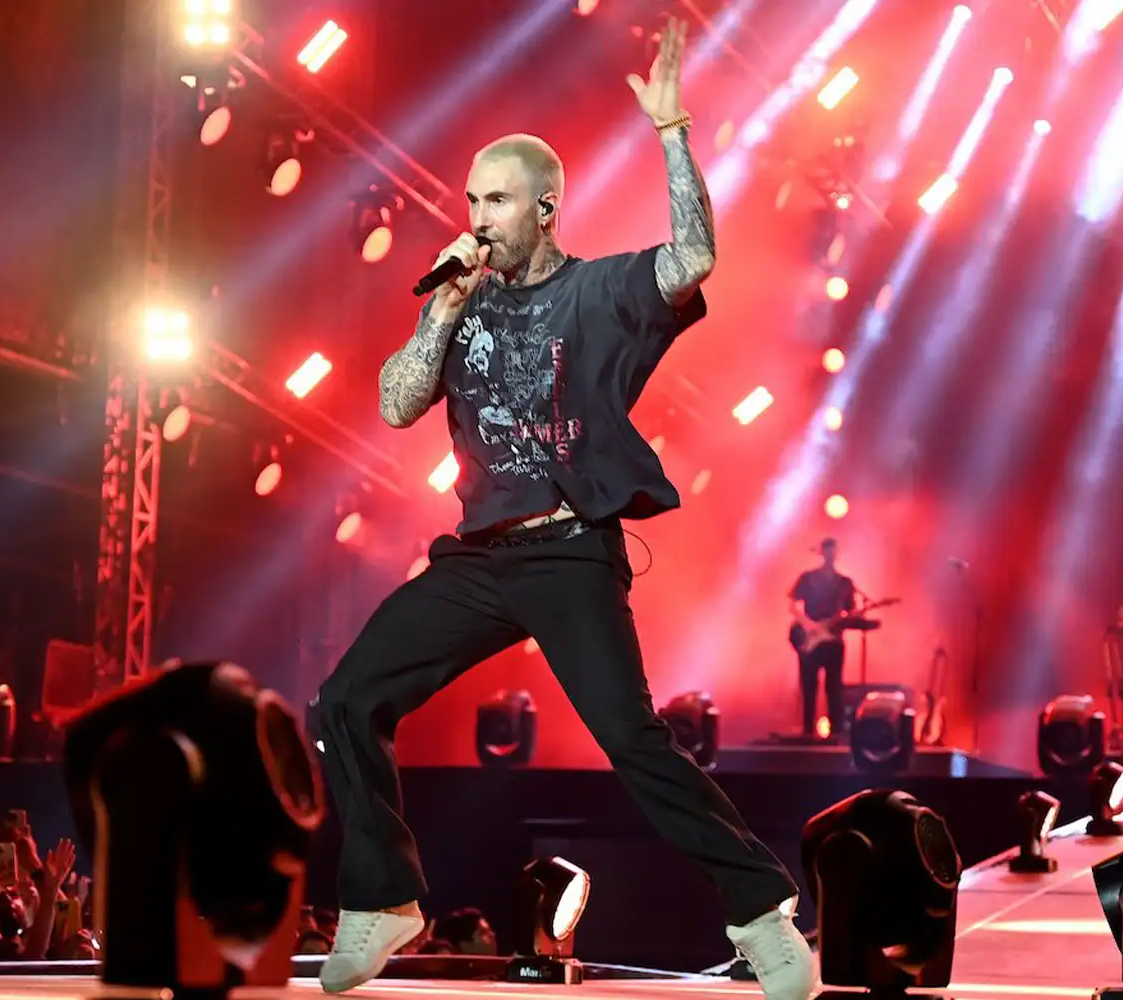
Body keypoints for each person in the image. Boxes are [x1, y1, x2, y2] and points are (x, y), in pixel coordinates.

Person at [309, 17, 814, 1000]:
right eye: (470, 199)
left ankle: (762, 914)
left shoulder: (597, 290)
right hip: (476, 558)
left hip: (568, 550)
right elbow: (397, 402)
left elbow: (692, 257)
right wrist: (441, 312)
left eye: (496, 200)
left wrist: (671, 131)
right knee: (345, 699)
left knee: (632, 741)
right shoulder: (459, 298)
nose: (478, 217)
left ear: (543, 207)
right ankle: (383, 899)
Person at [788, 537, 857, 740]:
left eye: (833, 551)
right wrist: (808, 624)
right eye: (827, 551)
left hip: (834, 640)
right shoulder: (807, 578)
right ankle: (808, 731)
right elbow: (793, 606)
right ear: (821, 553)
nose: (830, 555)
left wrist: (844, 618)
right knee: (809, 686)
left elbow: (850, 610)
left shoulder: (844, 583)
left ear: (837, 554)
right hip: (811, 638)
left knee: (834, 687)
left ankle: (835, 733)